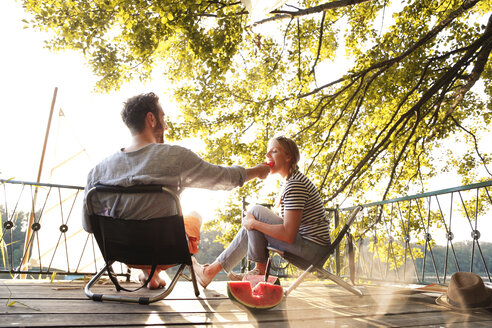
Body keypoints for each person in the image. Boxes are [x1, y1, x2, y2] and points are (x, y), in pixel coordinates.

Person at [82, 92, 270, 289]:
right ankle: (152, 271)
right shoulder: (175, 157)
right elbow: (221, 177)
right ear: (151, 118)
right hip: (164, 251)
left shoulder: (98, 171)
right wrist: (257, 171)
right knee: (193, 216)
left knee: (148, 222)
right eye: (163, 118)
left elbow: (88, 225)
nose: (166, 125)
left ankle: (149, 273)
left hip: (121, 253)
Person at [192, 136, 331, 287]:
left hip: (312, 251)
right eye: (267, 152)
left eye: (274, 151)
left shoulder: (295, 184)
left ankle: (257, 272)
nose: (268, 156)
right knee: (253, 219)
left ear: (288, 156)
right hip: (311, 248)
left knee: (255, 214)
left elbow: (288, 235)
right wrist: (254, 224)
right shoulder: (292, 181)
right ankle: (220, 272)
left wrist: (255, 223)